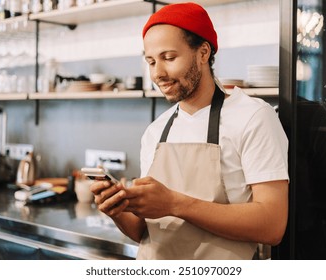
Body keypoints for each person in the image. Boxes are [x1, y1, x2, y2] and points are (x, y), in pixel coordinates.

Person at [90, 2, 289, 260]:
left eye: (169, 58)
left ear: (203, 53)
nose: (158, 73)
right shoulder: (155, 131)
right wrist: (117, 209)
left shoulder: (253, 117)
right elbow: (144, 232)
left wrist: (174, 203)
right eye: (151, 62)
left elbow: (272, 225)